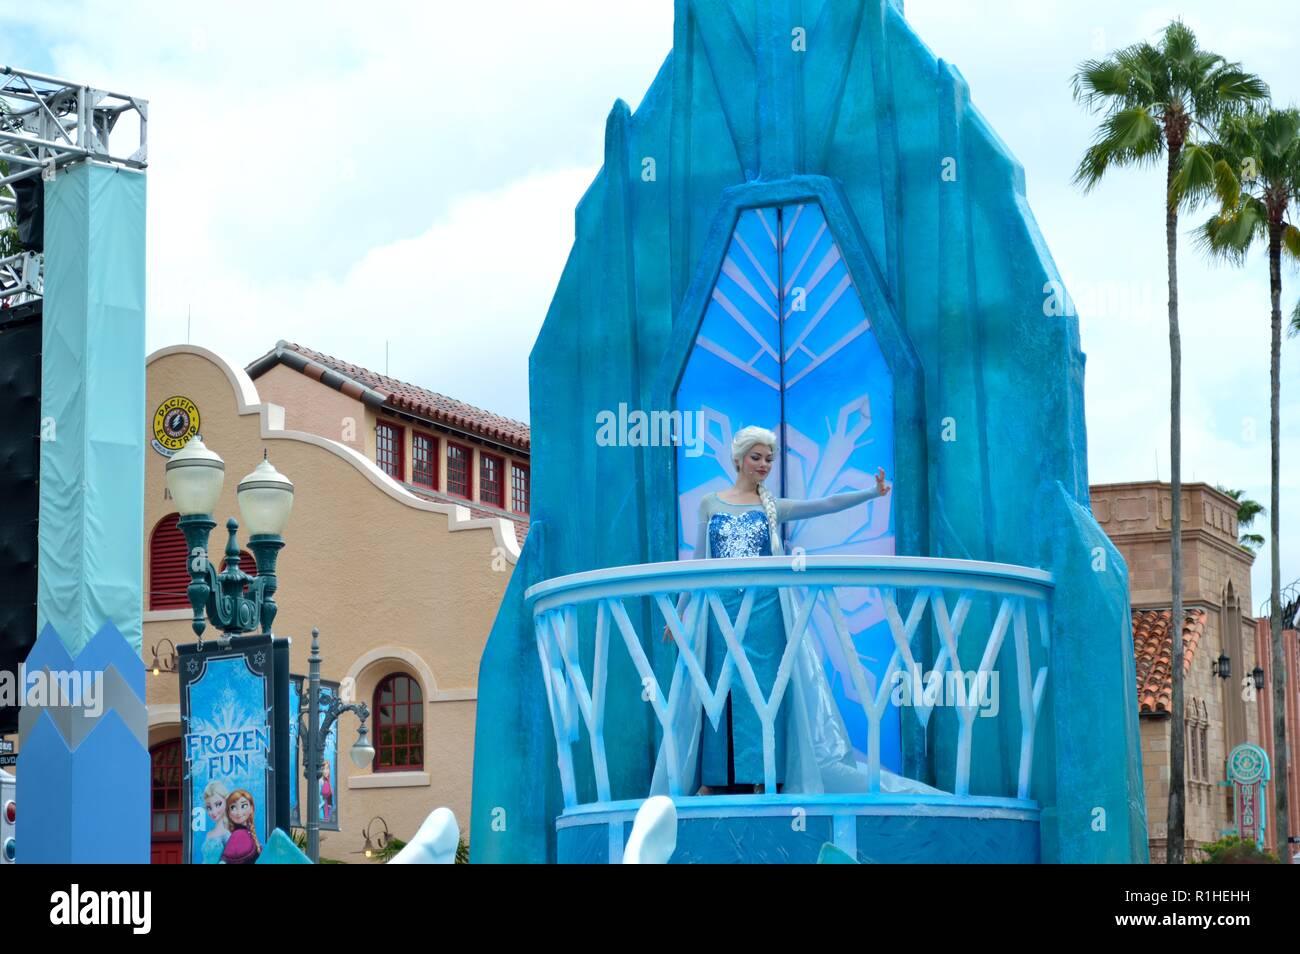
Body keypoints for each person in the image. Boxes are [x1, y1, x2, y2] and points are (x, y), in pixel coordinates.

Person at [653, 424, 940, 798]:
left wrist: (872, 492)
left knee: (766, 692)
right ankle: (713, 778)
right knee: (718, 690)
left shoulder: (771, 508)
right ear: (739, 460)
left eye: (769, 459)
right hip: (721, 611)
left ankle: (763, 774)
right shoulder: (710, 502)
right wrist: (679, 612)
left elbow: (823, 506)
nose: (764, 464)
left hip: (766, 615)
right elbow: (697, 562)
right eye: (756, 457)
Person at [220, 789, 261, 864]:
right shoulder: (238, 835)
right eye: (233, 807)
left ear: (251, 808)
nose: (239, 812)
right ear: (229, 813)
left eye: (244, 806)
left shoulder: (247, 833)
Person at [200, 780, 231, 864]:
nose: (213, 812)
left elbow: (231, 859)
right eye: (209, 808)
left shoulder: (227, 834)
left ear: (226, 802)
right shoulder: (209, 834)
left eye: (218, 804)